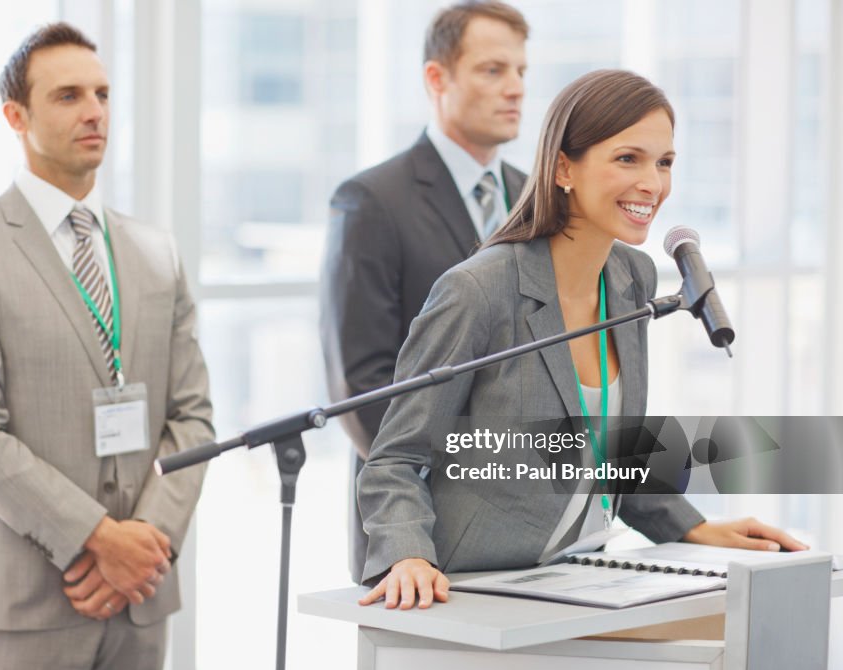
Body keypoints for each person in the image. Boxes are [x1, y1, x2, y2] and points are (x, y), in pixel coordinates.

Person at [356, 69, 807, 610]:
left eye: (664, 162)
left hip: (581, 578)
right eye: (628, 159)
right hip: (470, 592)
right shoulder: (479, 289)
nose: (653, 184)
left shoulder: (631, 276)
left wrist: (691, 528)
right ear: (564, 167)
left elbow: (610, 449)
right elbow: (395, 458)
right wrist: (408, 555)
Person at [0, 23, 213, 670]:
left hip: (140, 594)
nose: (95, 112)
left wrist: (146, 546)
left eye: (103, 94)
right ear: (15, 117)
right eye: (69, 95)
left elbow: (193, 418)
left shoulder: (154, 251)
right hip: (27, 602)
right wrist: (99, 540)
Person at [320, 0, 529, 584]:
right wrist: (479, 473)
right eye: (493, 70)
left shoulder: (534, 197)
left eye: (520, 72)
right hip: (415, 522)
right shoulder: (372, 200)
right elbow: (361, 387)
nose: (514, 88)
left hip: (526, 522)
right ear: (437, 78)